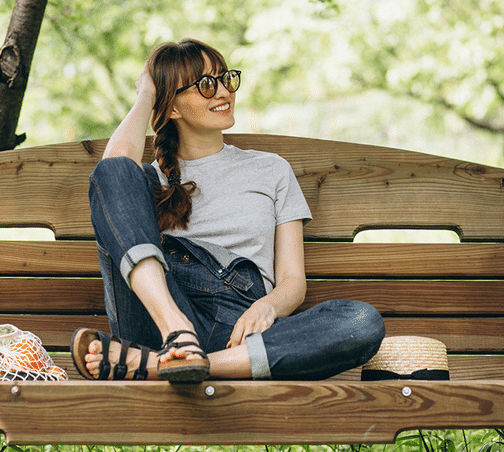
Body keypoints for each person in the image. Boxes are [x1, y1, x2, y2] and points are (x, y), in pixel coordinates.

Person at [71, 39, 385, 382]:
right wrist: (147, 92)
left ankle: (161, 364)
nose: (223, 92)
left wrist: (267, 306)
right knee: (113, 170)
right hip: (158, 320)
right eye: (206, 85)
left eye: (226, 79)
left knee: (360, 321)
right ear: (172, 108)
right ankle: (179, 335)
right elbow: (113, 169)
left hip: (240, 331)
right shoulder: (149, 180)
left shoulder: (271, 169)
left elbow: (293, 281)